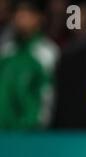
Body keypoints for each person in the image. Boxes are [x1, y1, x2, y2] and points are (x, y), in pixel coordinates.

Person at [0, 0, 59, 130]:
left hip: (30, 135)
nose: (20, 17)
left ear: (39, 18)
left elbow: (46, 97)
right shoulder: (6, 51)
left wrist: (35, 128)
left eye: (27, 13)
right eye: (18, 12)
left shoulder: (47, 53)